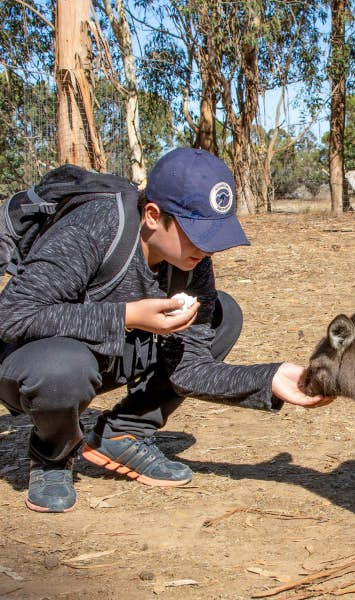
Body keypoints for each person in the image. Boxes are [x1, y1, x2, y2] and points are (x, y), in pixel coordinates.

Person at [0, 148, 331, 513]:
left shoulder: (193, 262)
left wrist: (269, 378)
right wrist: (126, 316)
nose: (206, 249)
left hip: (106, 354)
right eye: (196, 234)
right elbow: (12, 317)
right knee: (64, 369)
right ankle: (51, 455)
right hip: (32, 359)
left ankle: (123, 433)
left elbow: (189, 368)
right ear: (154, 216)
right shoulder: (93, 227)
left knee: (223, 314)